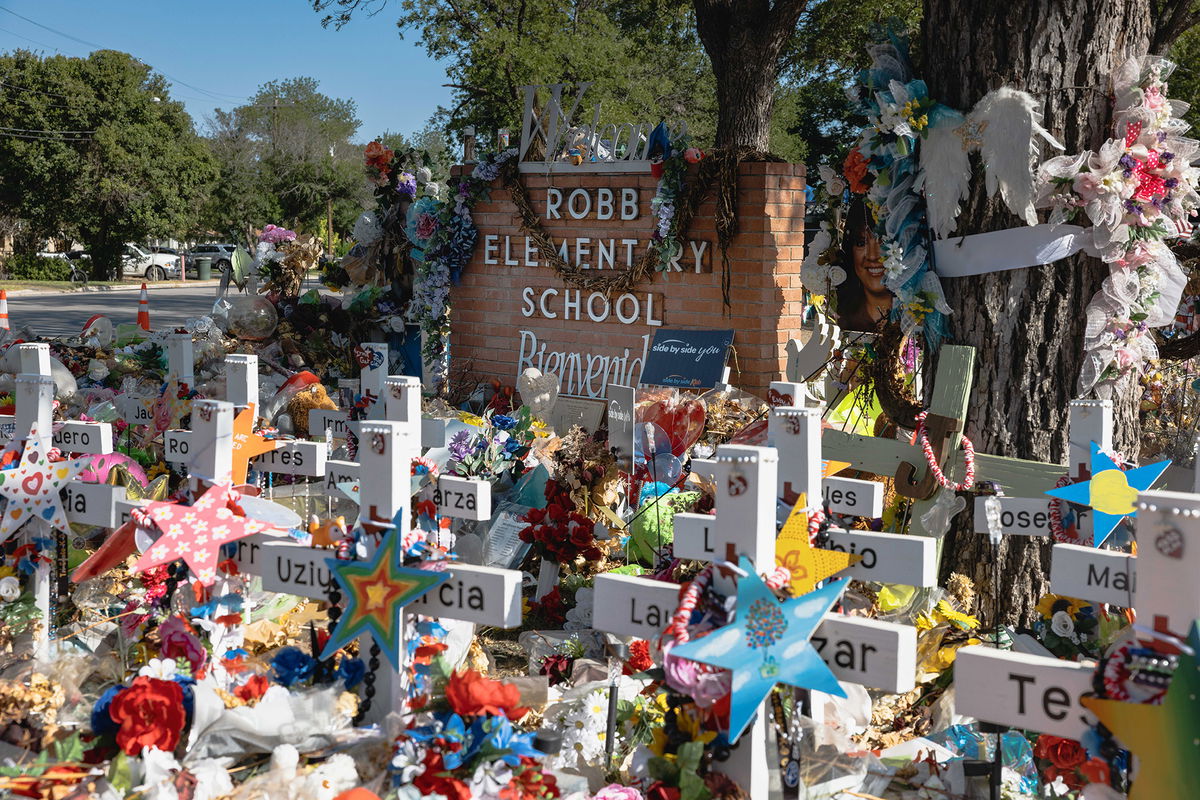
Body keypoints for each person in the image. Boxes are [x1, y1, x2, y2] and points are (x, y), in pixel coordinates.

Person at [835, 197, 894, 332]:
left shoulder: (915, 316)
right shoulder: (845, 317)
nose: (873, 256)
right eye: (861, 243)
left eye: (883, 242)